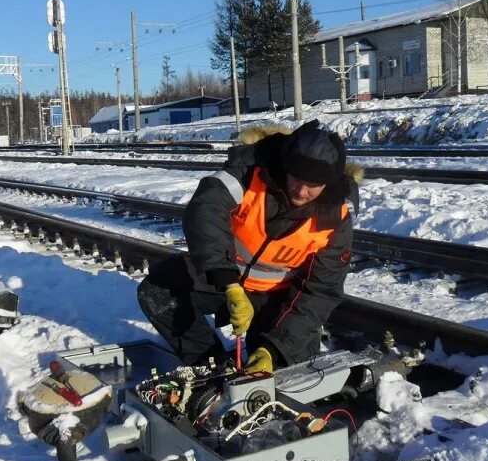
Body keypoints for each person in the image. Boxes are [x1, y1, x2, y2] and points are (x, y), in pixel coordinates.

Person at [137, 120, 361, 374]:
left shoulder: (336, 218)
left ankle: (267, 349)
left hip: (277, 301)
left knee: (287, 366)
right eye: (296, 178)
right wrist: (228, 281)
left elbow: (321, 291)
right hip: (227, 283)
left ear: (328, 183)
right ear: (285, 165)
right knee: (157, 291)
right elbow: (206, 208)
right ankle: (212, 365)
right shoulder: (249, 171)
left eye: (313, 185)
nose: (301, 190)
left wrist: (272, 349)